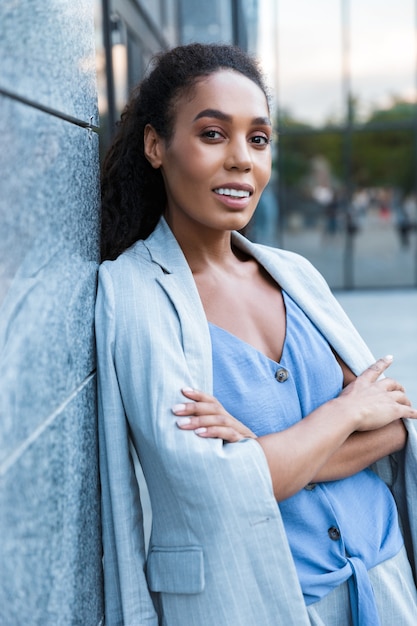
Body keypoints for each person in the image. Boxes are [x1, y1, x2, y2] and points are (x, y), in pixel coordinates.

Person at [96, 43, 417, 626]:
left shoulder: (295, 275)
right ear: (154, 146)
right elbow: (213, 490)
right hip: (256, 599)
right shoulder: (134, 292)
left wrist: (260, 452)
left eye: (259, 138)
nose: (242, 159)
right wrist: (342, 415)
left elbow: (394, 422)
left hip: (386, 578)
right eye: (214, 134)